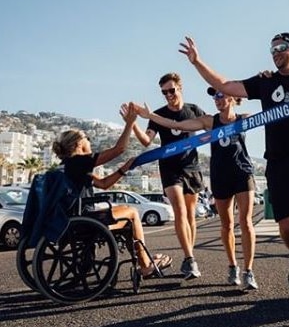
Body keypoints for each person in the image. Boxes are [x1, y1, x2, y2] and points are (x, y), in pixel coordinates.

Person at [179, 32, 289, 308]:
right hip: (278, 164)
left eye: (281, 47)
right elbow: (225, 84)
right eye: (272, 48)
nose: (275, 52)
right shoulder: (265, 82)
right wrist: (197, 62)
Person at [133, 86, 259, 290]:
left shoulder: (244, 118)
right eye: (214, 96)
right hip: (219, 175)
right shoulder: (209, 121)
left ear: (233, 98)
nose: (217, 99)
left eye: (220, 95)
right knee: (226, 225)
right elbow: (176, 124)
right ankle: (233, 266)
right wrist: (150, 116)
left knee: (245, 222)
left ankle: (249, 271)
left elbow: (274, 114)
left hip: (243, 172)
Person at [51, 122, 172, 279]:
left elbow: (104, 184)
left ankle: (144, 261)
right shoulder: (79, 161)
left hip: (70, 219)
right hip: (84, 221)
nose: (89, 141)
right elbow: (119, 149)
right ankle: (145, 265)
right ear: (78, 143)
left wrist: (124, 169)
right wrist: (130, 123)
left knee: (125, 213)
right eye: (87, 138)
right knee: (132, 213)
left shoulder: (67, 166)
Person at [128, 72, 205, 280]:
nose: (169, 95)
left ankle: (190, 256)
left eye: (171, 90)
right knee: (179, 212)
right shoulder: (159, 115)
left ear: (180, 88)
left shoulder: (194, 110)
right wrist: (132, 122)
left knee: (190, 215)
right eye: (164, 92)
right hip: (170, 169)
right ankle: (190, 259)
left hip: (192, 167)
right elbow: (146, 141)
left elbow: (211, 126)